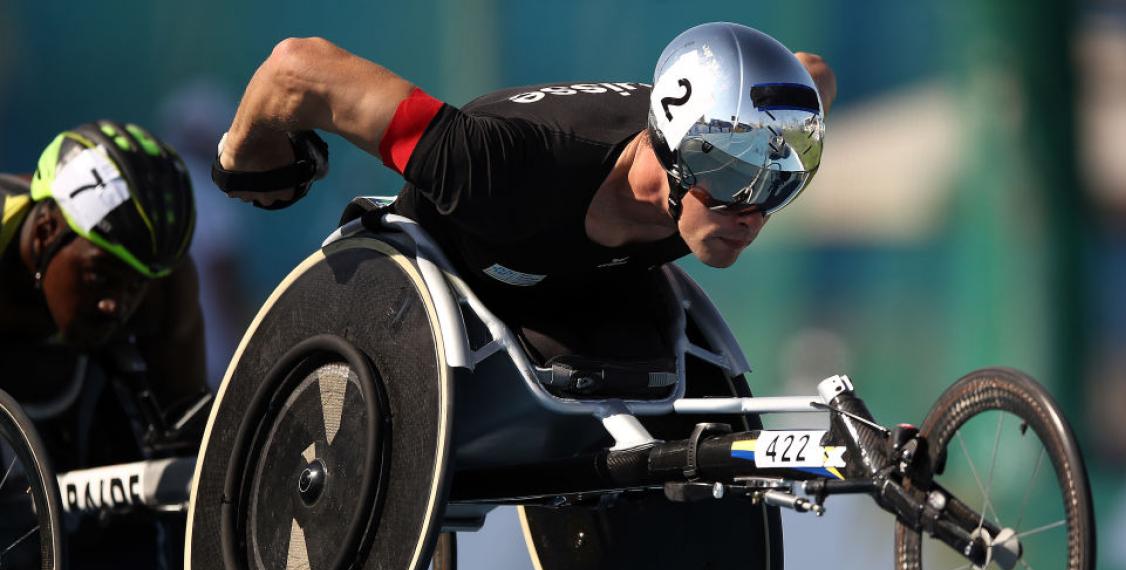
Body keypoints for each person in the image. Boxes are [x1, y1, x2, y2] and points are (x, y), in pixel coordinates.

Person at [214, 22, 835, 362]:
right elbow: (298, 68)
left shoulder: (741, 160)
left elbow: (812, 75)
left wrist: (768, 150)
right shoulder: (496, 166)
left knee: (646, 354)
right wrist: (248, 161)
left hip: (578, 288)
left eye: (781, 183)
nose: (753, 214)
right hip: (438, 291)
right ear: (671, 151)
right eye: (733, 181)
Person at [0, 121, 206, 406]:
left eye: (135, 285)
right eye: (99, 277)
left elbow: (193, 429)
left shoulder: (166, 289)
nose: (114, 305)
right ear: (45, 234)